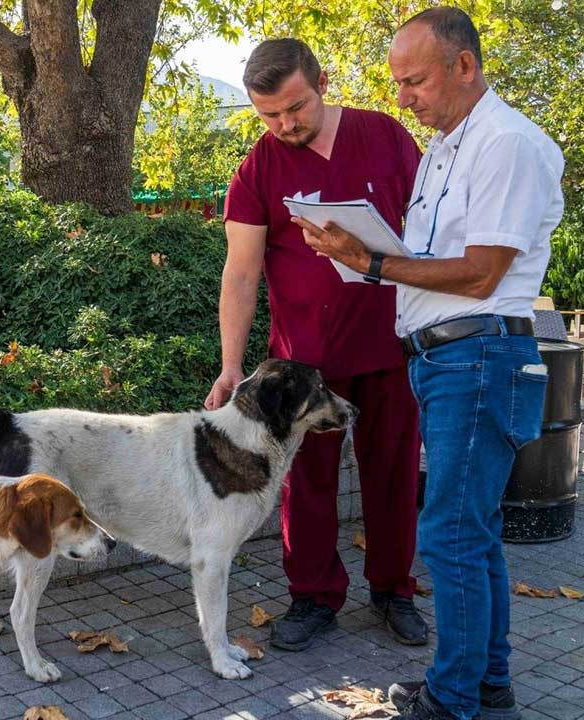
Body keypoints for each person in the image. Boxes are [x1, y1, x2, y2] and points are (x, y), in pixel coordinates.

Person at [297, 8, 565, 719]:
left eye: (413, 80)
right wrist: (365, 256)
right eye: (396, 83)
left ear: (465, 66)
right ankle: (484, 684)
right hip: (447, 359)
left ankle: (451, 701)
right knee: (469, 534)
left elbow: (480, 274)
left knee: (446, 534)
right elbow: (433, 264)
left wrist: (372, 261)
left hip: (476, 356)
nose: (403, 97)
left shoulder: (505, 143)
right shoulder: (449, 148)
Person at [205, 38, 428, 653]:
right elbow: (241, 273)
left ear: (321, 81)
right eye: (269, 115)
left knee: (394, 475)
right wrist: (231, 367)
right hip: (303, 367)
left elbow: (433, 228)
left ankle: (394, 591)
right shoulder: (258, 168)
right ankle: (312, 597)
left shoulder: (386, 137)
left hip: (390, 346)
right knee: (304, 483)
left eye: (295, 108)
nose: (285, 124)